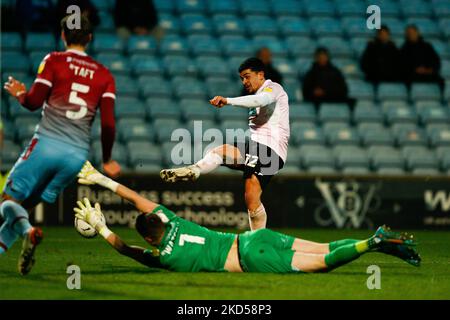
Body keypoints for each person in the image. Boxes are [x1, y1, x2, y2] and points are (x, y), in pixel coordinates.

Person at [74, 161, 421, 273]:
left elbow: (130, 252)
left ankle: (372, 242)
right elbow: (136, 198)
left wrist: (103, 228)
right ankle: (373, 241)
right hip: (254, 238)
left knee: (325, 263)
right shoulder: (171, 218)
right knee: (325, 246)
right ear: (161, 222)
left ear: (151, 237)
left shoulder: (165, 255)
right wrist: (100, 179)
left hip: (252, 257)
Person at [0, 15, 120, 275]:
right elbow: (109, 124)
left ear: (63, 35)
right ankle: (26, 238)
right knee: (22, 209)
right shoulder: (104, 75)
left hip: (46, 145)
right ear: (89, 38)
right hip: (75, 156)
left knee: (8, 201)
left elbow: (33, 102)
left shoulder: (54, 60)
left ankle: (29, 232)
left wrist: (20, 93)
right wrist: (108, 159)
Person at [160, 58, 290, 231]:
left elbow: (260, 101)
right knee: (222, 155)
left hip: (271, 150)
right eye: (241, 78)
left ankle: (258, 240)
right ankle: (195, 169)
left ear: (260, 75)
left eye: (247, 76)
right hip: (256, 147)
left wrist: (228, 100)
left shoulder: (273, 88)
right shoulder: (257, 94)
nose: (244, 81)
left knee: (251, 194)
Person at [399, 25, 444, 92]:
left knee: (440, 80)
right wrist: (415, 69)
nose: (411, 35)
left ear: (417, 33)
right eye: (409, 33)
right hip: (412, 75)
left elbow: (436, 61)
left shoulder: (427, 46)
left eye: (413, 32)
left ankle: (441, 97)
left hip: (427, 73)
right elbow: (401, 64)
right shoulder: (404, 49)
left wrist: (429, 69)